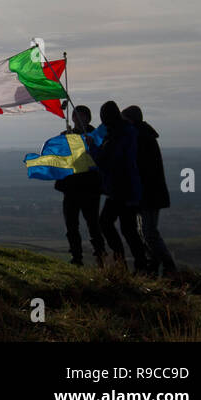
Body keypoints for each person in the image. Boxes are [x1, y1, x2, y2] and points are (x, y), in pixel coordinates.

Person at [89, 100, 149, 272]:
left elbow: (108, 160)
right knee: (126, 228)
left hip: (122, 188)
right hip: (125, 187)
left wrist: (93, 148)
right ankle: (137, 264)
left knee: (111, 224)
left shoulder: (119, 135)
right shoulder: (122, 132)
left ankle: (125, 262)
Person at [124, 105, 175, 276]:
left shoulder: (140, 138)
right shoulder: (143, 135)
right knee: (144, 231)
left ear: (130, 120)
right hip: (148, 193)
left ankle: (168, 266)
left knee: (149, 232)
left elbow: (140, 168)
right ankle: (154, 265)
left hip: (149, 193)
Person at [55, 105, 105, 267]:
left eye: (80, 116)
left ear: (87, 118)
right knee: (71, 224)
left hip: (90, 187)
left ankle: (100, 256)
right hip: (71, 186)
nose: (77, 118)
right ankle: (76, 256)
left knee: (93, 224)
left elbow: (102, 158)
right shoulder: (68, 135)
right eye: (75, 116)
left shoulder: (96, 135)